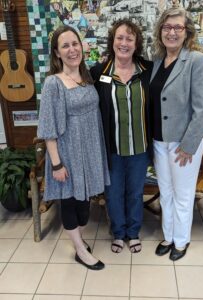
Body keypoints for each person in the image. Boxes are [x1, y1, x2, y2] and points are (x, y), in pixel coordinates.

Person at [37, 25, 110, 270]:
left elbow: (110, 89)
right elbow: (47, 128)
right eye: (65, 46)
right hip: (66, 155)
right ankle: (80, 249)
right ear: (57, 53)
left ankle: (79, 239)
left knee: (84, 207)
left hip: (89, 151)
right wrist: (56, 163)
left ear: (82, 46)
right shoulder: (53, 84)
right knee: (70, 203)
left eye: (75, 44)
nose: (71, 50)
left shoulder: (88, 76)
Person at [150, 7, 203, 261]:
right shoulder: (155, 61)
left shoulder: (197, 61)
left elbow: (202, 107)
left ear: (187, 33)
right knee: (165, 192)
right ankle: (168, 236)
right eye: (167, 27)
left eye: (178, 27)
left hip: (183, 143)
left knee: (183, 195)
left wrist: (189, 144)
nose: (172, 32)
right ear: (160, 31)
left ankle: (182, 241)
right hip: (159, 141)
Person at [90, 19, 153, 254]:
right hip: (112, 149)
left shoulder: (148, 70)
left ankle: (133, 232)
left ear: (136, 44)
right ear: (112, 41)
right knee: (114, 194)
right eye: (119, 38)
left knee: (135, 193)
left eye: (129, 38)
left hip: (140, 148)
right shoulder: (99, 72)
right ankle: (118, 233)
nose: (124, 43)